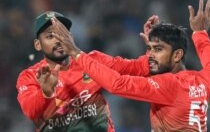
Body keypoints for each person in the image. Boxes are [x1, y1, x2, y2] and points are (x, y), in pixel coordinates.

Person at [54, 0, 210, 132]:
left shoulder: (169, 85)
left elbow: (117, 84)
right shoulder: (203, 81)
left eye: (158, 49)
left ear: (177, 55)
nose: (151, 55)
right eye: (150, 48)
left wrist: (75, 52)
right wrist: (200, 33)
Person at [16, 11, 153, 132]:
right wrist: (45, 94)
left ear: (70, 37)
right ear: (38, 45)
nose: (58, 40)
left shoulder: (92, 61)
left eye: (61, 34)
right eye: (50, 36)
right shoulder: (30, 76)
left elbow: (139, 68)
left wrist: (154, 47)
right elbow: (30, 112)